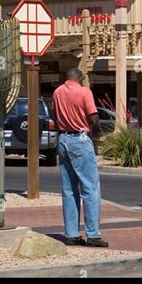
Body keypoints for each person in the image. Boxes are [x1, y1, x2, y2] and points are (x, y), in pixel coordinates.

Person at [51, 67, 108, 247]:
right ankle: (93, 235)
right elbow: (93, 117)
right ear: (80, 77)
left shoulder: (57, 92)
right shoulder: (85, 92)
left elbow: (54, 113)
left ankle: (72, 234)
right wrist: (97, 128)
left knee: (69, 189)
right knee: (90, 188)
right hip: (80, 139)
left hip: (63, 139)